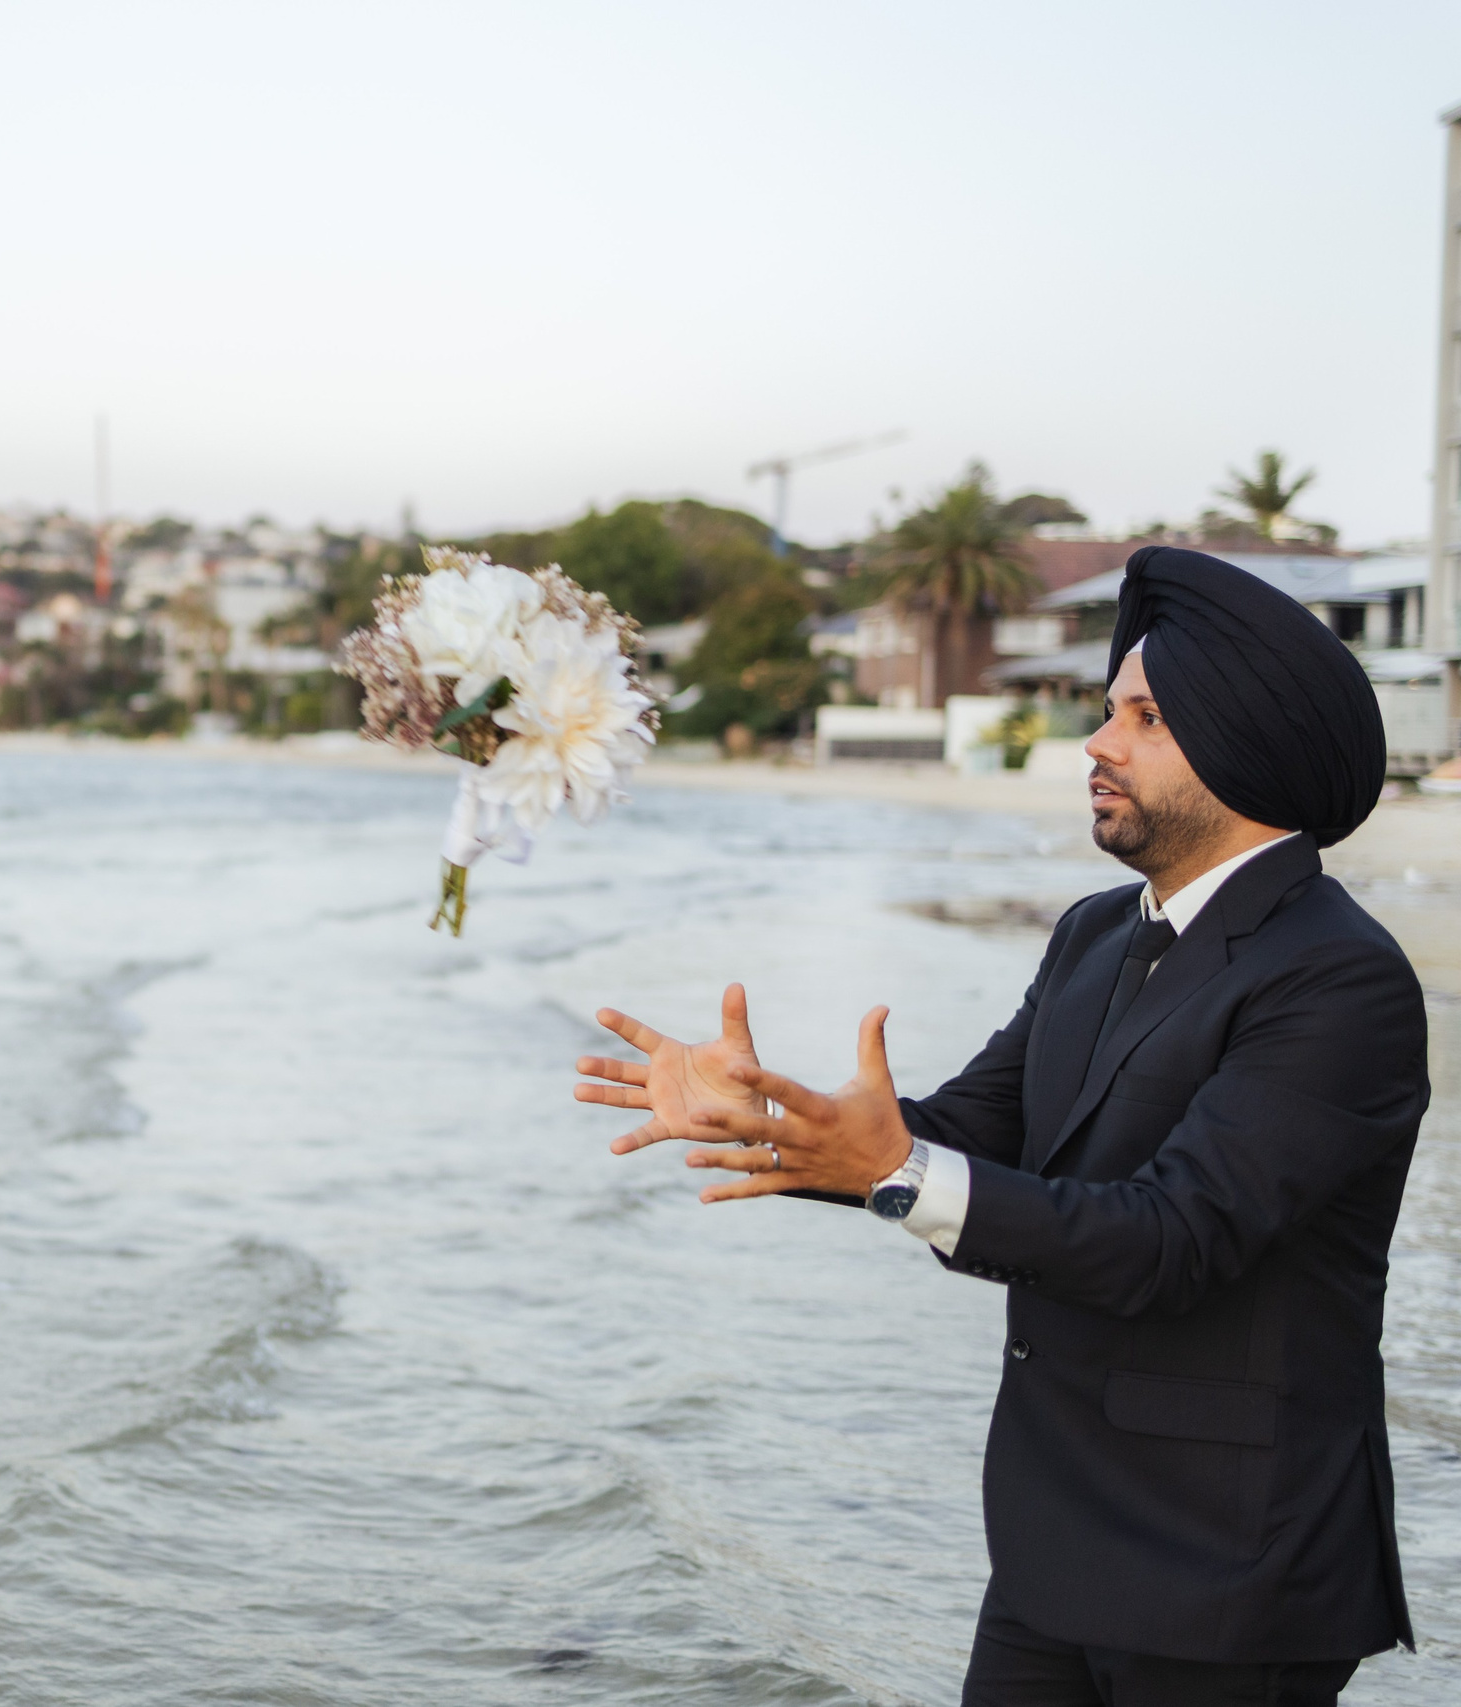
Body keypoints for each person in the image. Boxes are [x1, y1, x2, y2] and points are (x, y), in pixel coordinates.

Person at [574, 547, 1427, 1706]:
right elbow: (959, 1136)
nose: (1096, 743)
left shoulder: (1337, 980)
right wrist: (771, 1114)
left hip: (1231, 1575)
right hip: (1049, 1543)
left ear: (1242, 746)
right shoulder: (1093, 934)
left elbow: (1171, 1239)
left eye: (1144, 717)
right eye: (1106, 710)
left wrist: (896, 1167)